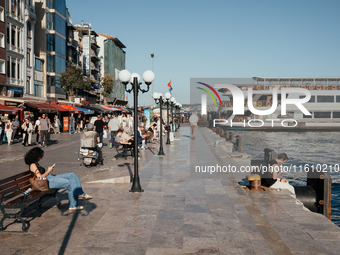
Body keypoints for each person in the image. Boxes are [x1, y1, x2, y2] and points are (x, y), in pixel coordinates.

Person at [24, 147, 92, 211]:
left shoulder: (36, 163)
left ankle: (80, 194)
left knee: (72, 175)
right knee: (69, 183)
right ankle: (73, 205)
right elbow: (40, 178)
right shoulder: (33, 165)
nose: (41, 158)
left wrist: (49, 171)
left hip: (49, 178)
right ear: (35, 156)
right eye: (40, 156)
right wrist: (49, 171)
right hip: (46, 182)